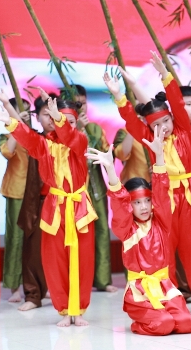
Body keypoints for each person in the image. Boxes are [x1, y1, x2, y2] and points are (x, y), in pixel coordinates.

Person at [105, 61, 191, 314]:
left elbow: (177, 103)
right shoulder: (149, 138)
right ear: (149, 127)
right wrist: (119, 95)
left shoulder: (183, 129)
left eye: (167, 121)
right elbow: (131, 120)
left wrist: (165, 75)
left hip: (189, 195)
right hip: (163, 196)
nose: (164, 127)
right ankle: (168, 298)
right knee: (164, 249)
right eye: (157, 125)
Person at [0, 92, 97, 327]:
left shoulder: (80, 141)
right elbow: (29, 139)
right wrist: (10, 122)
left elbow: (69, 135)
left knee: (82, 260)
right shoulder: (45, 145)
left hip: (79, 208)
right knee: (55, 261)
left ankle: (78, 310)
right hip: (54, 208)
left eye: (71, 121)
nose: (65, 125)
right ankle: (64, 310)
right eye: (59, 119)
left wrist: (60, 119)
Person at [87, 124, 191, 336]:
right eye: (137, 203)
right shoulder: (126, 228)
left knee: (185, 324)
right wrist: (110, 170)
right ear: (130, 205)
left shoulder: (161, 221)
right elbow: (119, 203)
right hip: (140, 292)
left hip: (164, 286)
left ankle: (162, 315)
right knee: (164, 324)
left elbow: (162, 192)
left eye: (147, 201)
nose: (144, 206)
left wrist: (159, 157)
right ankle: (139, 324)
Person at [70, 84, 117, 293]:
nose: (81, 107)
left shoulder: (96, 128)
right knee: (78, 234)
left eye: (83, 102)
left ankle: (103, 279)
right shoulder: (64, 131)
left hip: (96, 186)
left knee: (102, 231)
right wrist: (78, 129)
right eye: (76, 103)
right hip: (75, 189)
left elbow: (108, 156)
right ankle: (79, 280)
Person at [16, 92, 55, 312]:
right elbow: (20, 131)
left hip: (64, 203)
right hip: (40, 203)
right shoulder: (36, 140)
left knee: (63, 250)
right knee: (33, 250)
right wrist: (10, 110)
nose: (50, 118)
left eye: (53, 113)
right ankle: (33, 294)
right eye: (45, 114)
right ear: (37, 117)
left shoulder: (69, 140)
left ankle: (62, 294)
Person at [0, 97, 31, 303]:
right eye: (20, 111)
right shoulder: (5, 135)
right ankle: (14, 287)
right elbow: (7, 152)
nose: (25, 116)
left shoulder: (34, 135)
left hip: (36, 192)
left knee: (35, 242)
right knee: (15, 239)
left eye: (27, 112)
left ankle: (37, 285)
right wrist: (16, 124)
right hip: (16, 191)